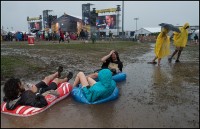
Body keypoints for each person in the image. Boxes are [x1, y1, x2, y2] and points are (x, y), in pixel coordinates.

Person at [3, 66, 73, 110]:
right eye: (21, 84)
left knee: (46, 78)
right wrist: (36, 92)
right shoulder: (27, 98)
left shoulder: (12, 97)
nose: (23, 84)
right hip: (42, 92)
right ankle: (66, 79)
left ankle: (57, 73)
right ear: (18, 90)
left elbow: (7, 100)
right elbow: (43, 103)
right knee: (56, 80)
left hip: (32, 90)